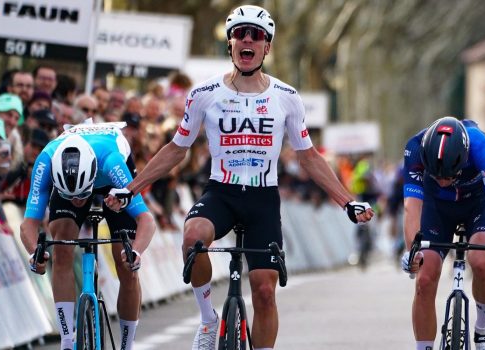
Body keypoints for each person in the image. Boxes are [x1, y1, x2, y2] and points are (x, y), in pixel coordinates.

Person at [123, 5, 373, 350]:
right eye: (240, 33)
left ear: (267, 47)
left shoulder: (287, 98)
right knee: (193, 237)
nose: (247, 40)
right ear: (230, 43)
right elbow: (176, 149)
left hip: (262, 199)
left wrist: (348, 201)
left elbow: (309, 157)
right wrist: (130, 187)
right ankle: (209, 320)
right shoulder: (203, 94)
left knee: (266, 292)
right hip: (221, 193)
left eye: (256, 35)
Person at [19, 121, 156, 350]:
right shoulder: (45, 161)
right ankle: (66, 340)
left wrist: (136, 252)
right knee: (61, 249)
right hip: (72, 173)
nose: (77, 202)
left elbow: (146, 220)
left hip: (109, 178)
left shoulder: (112, 161)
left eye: (82, 196)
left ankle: (127, 344)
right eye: (71, 197)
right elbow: (28, 224)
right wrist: (35, 253)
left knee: (127, 264)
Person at [400, 116, 485, 350]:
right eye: (436, 176)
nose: (443, 182)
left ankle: (483, 331)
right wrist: (411, 251)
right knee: (424, 278)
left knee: (482, 262)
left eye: (449, 176)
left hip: (477, 204)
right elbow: (411, 208)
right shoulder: (414, 148)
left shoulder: (482, 148)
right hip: (437, 208)